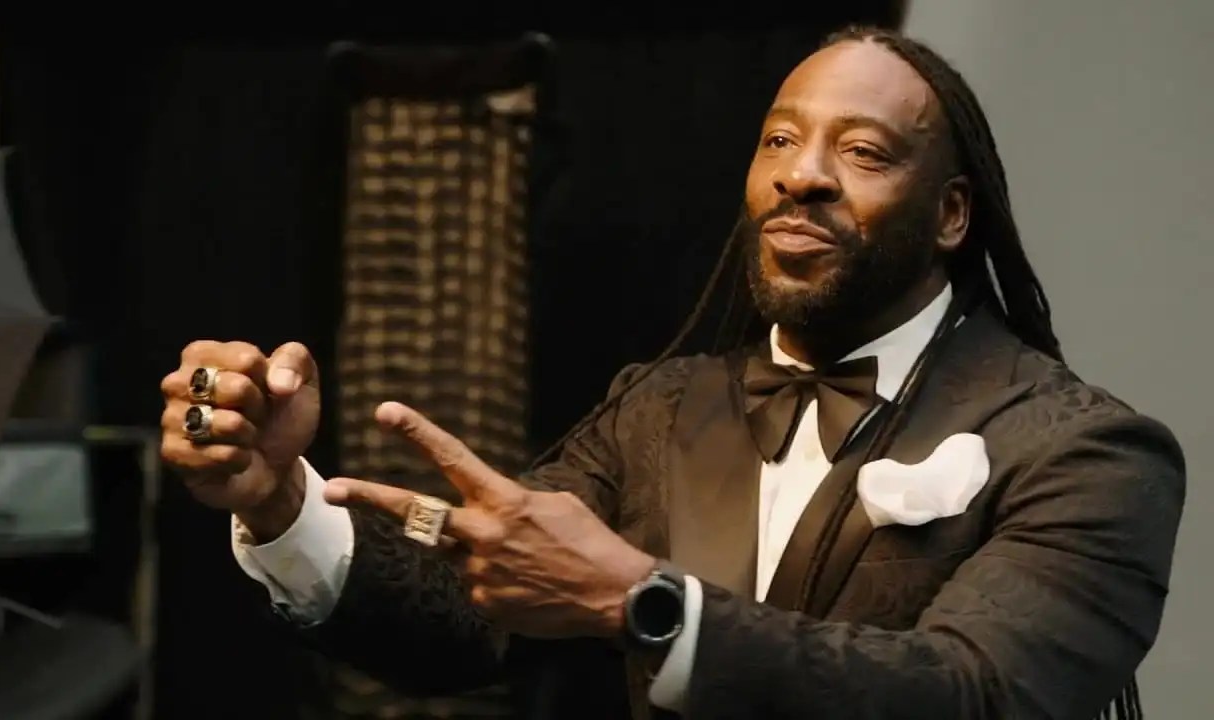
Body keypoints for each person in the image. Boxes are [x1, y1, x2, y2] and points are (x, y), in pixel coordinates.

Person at [159, 26, 1185, 720]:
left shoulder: (1085, 451)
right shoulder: (658, 409)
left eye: (864, 152)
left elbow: (977, 694)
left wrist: (645, 604)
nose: (801, 174)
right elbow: (464, 620)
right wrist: (277, 503)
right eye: (779, 139)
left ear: (951, 214)